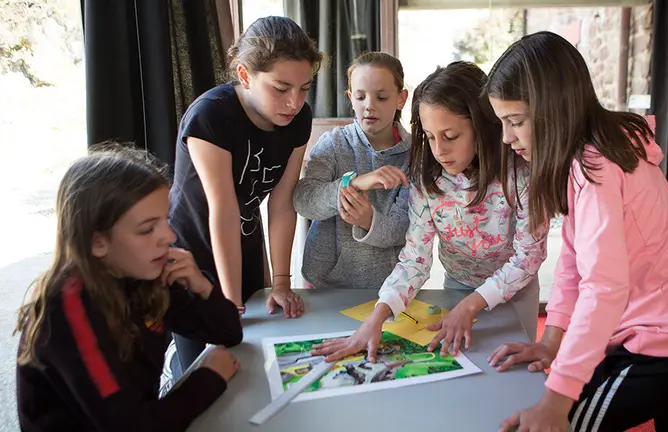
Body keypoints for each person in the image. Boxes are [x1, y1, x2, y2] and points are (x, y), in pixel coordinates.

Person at [485, 32, 668, 432]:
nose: (506, 138)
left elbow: (602, 289)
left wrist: (557, 400)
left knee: (560, 423)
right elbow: (573, 262)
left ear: (554, 111)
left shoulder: (596, 167)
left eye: (515, 122)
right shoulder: (600, 148)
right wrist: (552, 342)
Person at [313, 61, 548, 362]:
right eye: (430, 136)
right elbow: (415, 260)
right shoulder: (428, 179)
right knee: (465, 362)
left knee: (510, 370)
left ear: (482, 125)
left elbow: (528, 256)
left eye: (450, 136)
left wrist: (471, 306)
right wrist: (375, 320)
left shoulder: (521, 175)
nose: (439, 150)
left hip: (518, 293)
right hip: (458, 285)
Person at [15, 147, 243, 431]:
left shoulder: (146, 272)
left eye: (165, 219)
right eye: (148, 229)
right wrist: (208, 377)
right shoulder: (65, 310)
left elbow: (229, 333)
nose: (169, 236)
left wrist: (202, 286)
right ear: (97, 243)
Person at [168, 16, 323, 373]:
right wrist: (229, 300)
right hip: (191, 252)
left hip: (245, 246)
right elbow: (221, 211)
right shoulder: (211, 117)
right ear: (244, 75)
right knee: (202, 370)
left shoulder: (298, 119)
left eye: (304, 88)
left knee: (254, 363)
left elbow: (283, 202)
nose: (295, 102)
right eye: (281, 87)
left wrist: (281, 282)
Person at [293, 51, 410, 290]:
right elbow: (304, 201)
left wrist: (367, 220)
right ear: (350, 97)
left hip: (389, 287)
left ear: (401, 99)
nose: (369, 106)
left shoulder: (415, 157)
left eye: (382, 97)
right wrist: (355, 183)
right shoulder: (333, 143)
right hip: (323, 282)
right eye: (360, 96)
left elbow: (406, 228)